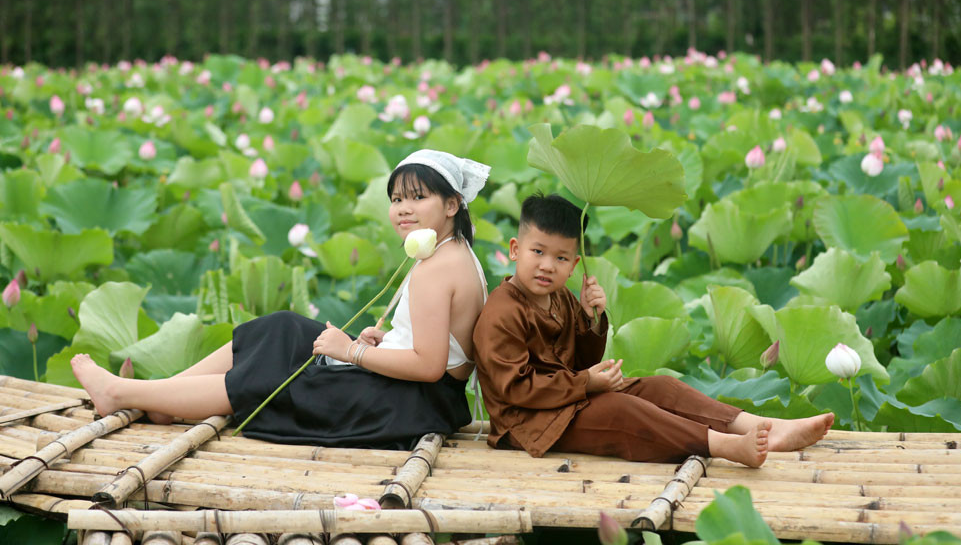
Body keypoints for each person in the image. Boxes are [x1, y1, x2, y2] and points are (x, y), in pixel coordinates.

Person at [72, 149, 491, 450]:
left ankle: (125, 393)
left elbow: (429, 365)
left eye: (419, 197)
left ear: (453, 204)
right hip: (418, 396)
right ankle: (164, 396)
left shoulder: (436, 269)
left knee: (274, 377)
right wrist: (384, 342)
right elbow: (436, 351)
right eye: (397, 199)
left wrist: (351, 352)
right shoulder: (450, 253)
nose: (403, 209)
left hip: (408, 406)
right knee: (283, 328)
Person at [472, 193, 835, 467]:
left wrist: (590, 318)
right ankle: (724, 446)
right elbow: (517, 390)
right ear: (515, 250)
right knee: (620, 408)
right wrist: (587, 383)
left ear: (574, 263)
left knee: (659, 386)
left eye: (561, 258)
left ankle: (764, 425)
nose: (547, 266)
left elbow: (580, 360)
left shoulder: (561, 297)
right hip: (527, 425)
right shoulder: (501, 312)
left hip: (566, 402)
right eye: (538, 252)